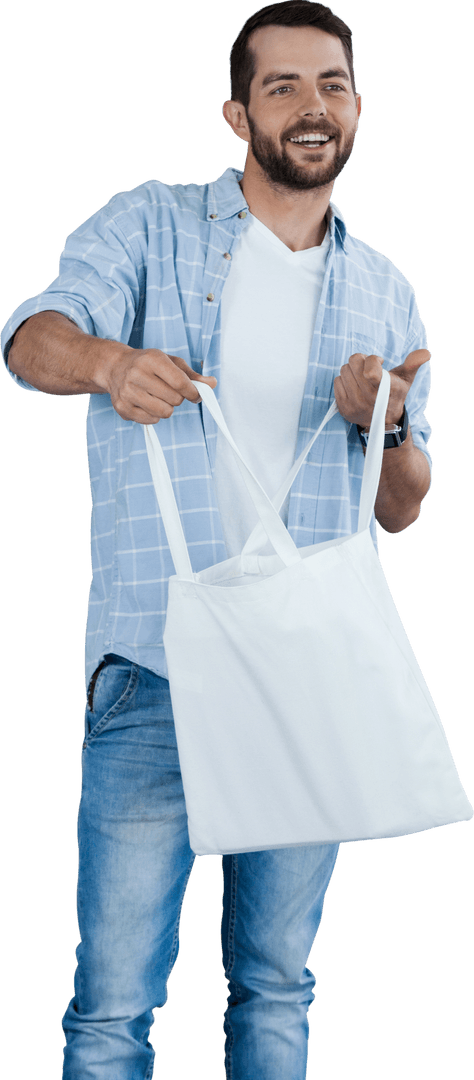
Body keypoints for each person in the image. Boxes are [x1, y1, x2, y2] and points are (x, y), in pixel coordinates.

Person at [1, 2, 433, 1077]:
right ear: (238, 113)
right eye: (281, 86)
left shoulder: (384, 289)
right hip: (155, 670)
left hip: (306, 688)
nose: (311, 106)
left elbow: (405, 503)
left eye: (330, 84)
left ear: (358, 108)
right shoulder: (148, 226)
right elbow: (26, 339)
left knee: (277, 992)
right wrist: (106, 364)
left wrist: (382, 421)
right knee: (110, 1009)